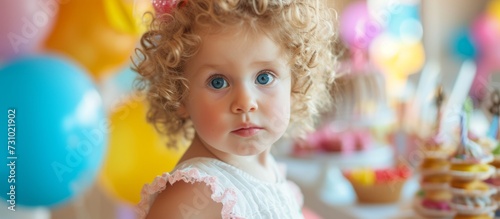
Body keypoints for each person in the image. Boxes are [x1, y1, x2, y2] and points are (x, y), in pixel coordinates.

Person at [133, 0, 337, 218]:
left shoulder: (266, 166)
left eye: (264, 77)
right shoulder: (193, 196)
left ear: (295, 85)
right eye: (218, 82)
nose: (245, 102)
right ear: (179, 96)